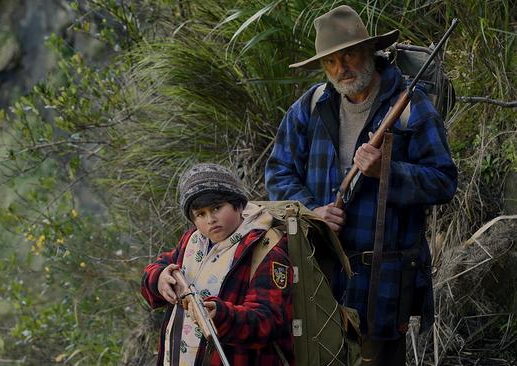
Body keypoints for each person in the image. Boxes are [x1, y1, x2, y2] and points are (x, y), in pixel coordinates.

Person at [265, 5, 457, 365]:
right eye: (331, 61)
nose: (342, 69)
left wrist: (388, 172)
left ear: (369, 51)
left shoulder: (410, 107)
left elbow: (444, 182)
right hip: (321, 275)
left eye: (349, 54)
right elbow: (278, 173)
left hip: (383, 281)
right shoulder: (310, 107)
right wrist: (312, 213)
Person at [141, 163, 293, 365]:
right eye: (200, 214)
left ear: (238, 205)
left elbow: (268, 321)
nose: (210, 220)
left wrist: (222, 316)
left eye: (216, 208)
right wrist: (159, 279)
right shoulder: (192, 241)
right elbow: (158, 268)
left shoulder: (266, 248)